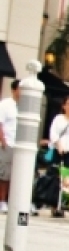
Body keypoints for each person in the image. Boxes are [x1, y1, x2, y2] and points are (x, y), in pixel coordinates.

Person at [0, 80, 17, 213]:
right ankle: (2, 201)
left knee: (15, 175)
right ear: (14, 90)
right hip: (8, 143)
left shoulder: (25, 105)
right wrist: (3, 141)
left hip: (19, 146)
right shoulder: (5, 104)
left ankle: (12, 200)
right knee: (4, 174)